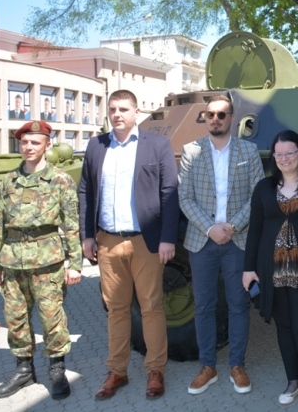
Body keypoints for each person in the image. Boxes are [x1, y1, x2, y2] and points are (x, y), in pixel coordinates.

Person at [78, 89, 179, 400]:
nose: (117, 114)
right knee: (116, 309)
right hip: (108, 241)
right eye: (112, 109)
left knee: (151, 307)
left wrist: (167, 238)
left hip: (145, 241)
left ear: (137, 112)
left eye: (123, 109)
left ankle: (155, 370)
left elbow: (169, 193)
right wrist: (87, 235)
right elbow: (86, 191)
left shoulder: (157, 145)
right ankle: (117, 371)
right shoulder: (96, 146)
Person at [0, 120, 82, 400]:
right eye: (25, 142)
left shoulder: (60, 180)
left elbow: (71, 224)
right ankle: (24, 369)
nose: (28, 147)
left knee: (52, 319)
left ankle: (57, 369)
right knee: (15, 319)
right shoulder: (9, 180)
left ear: (47, 145)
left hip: (47, 262)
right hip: (13, 261)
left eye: (35, 142)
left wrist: (75, 264)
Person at [178, 94, 264, 395]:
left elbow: (257, 195)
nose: (215, 119)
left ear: (232, 117)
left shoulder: (248, 151)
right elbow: (185, 197)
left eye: (221, 114)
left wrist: (232, 226)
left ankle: (237, 365)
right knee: (204, 305)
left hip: (237, 239)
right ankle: (208, 366)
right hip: (202, 241)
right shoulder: (191, 151)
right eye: (210, 114)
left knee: (238, 304)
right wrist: (210, 228)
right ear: (204, 117)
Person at [242, 130, 298, 406]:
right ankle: (293, 381)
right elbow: (255, 230)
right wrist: (248, 268)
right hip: (273, 272)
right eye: (278, 154)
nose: (284, 158)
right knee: (284, 328)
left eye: (289, 152)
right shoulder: (263, 188)